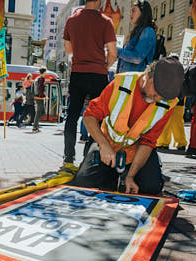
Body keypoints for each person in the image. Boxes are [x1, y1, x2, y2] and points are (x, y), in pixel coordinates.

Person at [69, 57, 184, 195]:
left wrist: (130, 176)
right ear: (147, 77)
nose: (158, 98)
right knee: (84, 183)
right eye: (157, 92)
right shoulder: (121, 83)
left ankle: (133, 171)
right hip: (107, 144)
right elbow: (89, 117)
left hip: (136, 150)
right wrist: (103, 144)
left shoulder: (169, 103)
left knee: (151, 188)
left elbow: (148, 142)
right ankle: (112, 172)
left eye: (163, 96)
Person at [63, 0, 117, 164]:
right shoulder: (105, 22)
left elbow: (68, 50)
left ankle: (68, 157)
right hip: (98, 75)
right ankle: (92, 155)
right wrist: (104, 65)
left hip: (78, 73)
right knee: (99, 117)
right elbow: (113, 52)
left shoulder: (71, 20)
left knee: (72, 116)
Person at [157, 53, 187, 150]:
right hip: (179, 100)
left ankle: (163, 143)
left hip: (167, 99)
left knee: (165, 122)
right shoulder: (181, 70)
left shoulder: (165, 70)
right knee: (178, 123)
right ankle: (181, 143)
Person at [116, 0, 156, 73]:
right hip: (127, 80)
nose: (130, 14)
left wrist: (117, 51)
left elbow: (137, 57)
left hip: (135, 81)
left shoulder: (147, 31)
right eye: (130, 11)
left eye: (133, 11)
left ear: (143, 13)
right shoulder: (137, 32)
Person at [32, 67, 47, 133]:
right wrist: (44, 96)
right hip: (39, 97)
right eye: (45, 72)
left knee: (42, 112)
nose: (46, 73)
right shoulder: (41, 79)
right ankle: (35, 126)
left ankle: (36, 124)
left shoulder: (37, 78)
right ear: (44, 72)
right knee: (39, 112)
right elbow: (41, 88)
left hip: (37, 96)